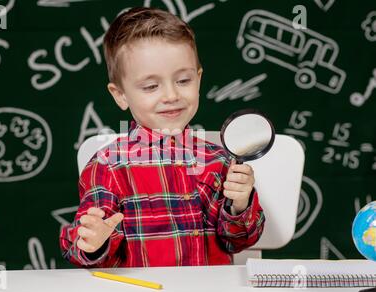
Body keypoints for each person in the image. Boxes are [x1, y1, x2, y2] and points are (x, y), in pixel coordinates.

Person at [59, 7, 265, 267]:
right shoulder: (108, 167)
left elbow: (236, 241)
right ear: (120, 95)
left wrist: (240, 204)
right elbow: (86, 249)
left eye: (183, 80)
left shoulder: (220, 160)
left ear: (198, 80)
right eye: (151, 86)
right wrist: (93, 242)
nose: (170, 95)